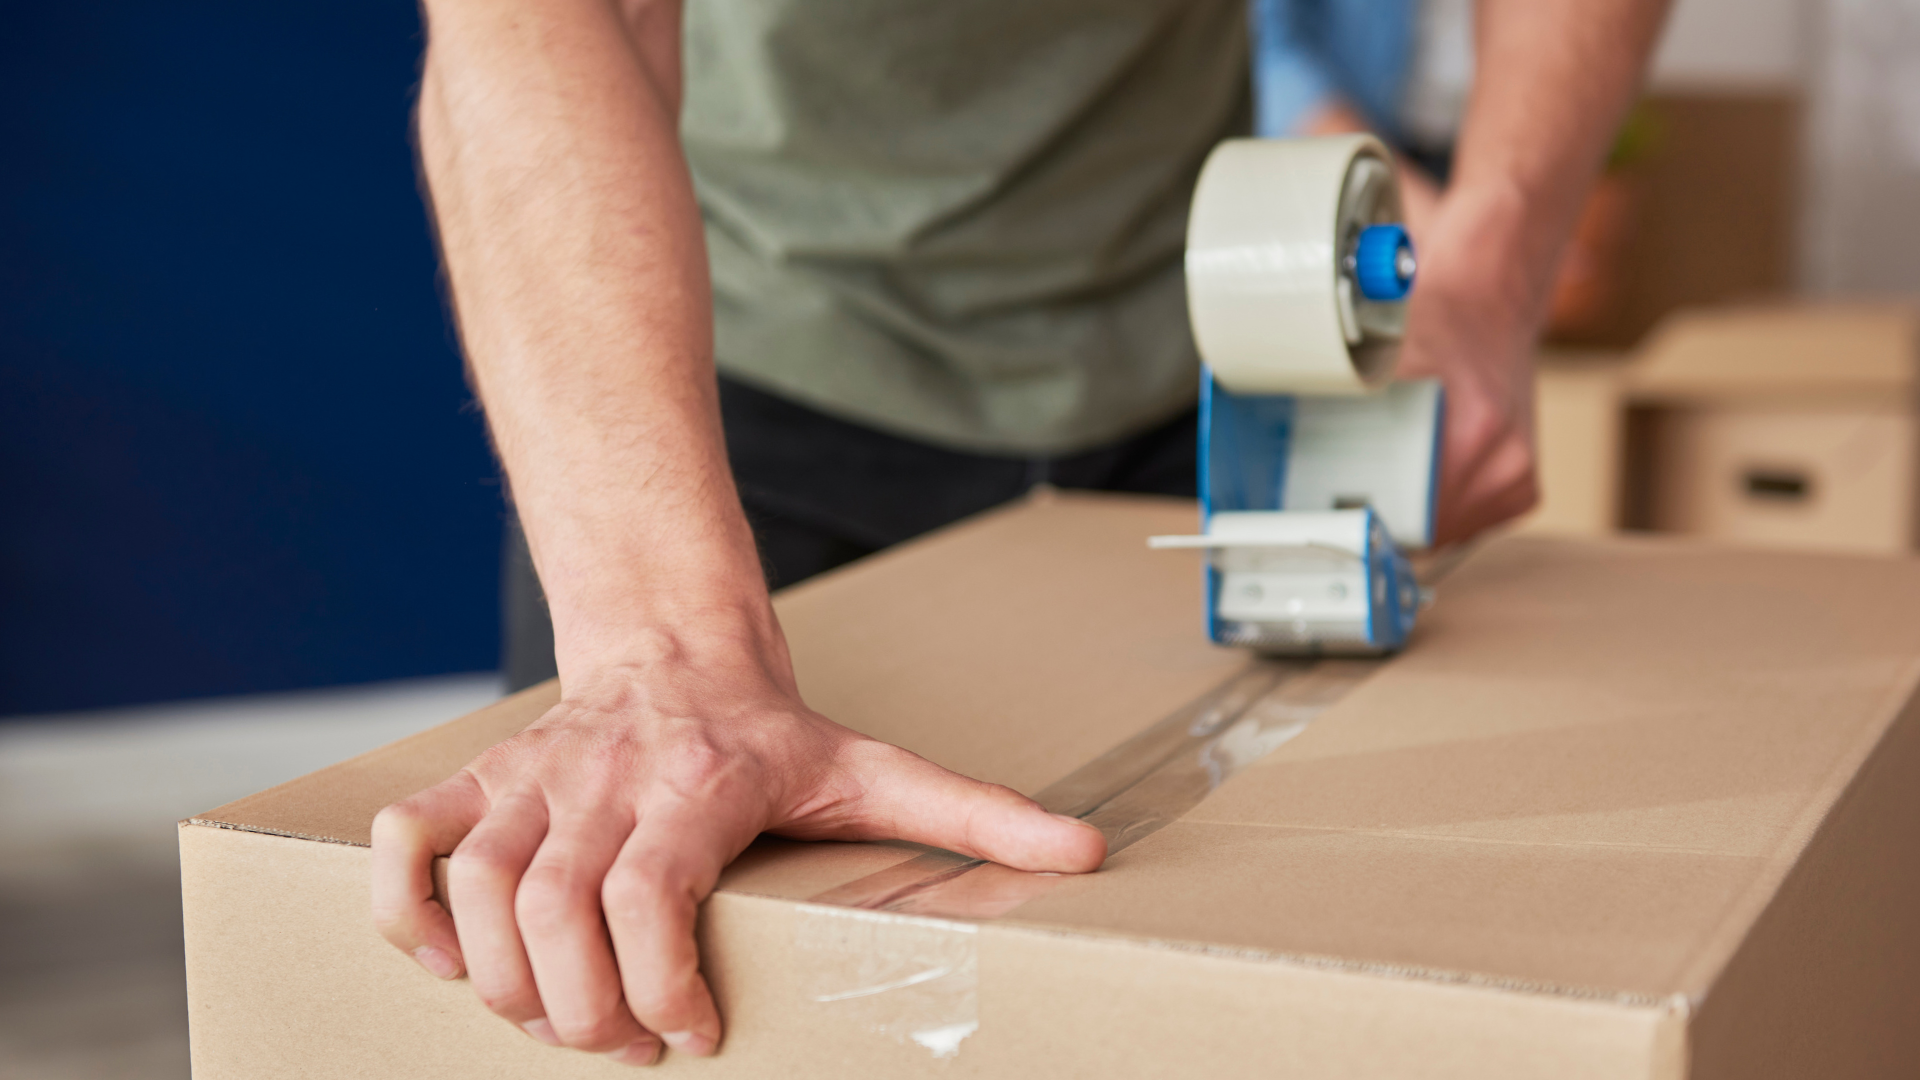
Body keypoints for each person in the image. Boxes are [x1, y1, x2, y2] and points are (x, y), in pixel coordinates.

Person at [371, 0, 1670, 1066]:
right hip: (720, 389)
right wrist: (662, 652)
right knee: (624, 964)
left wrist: (1496, 265)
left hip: (1192, 352)